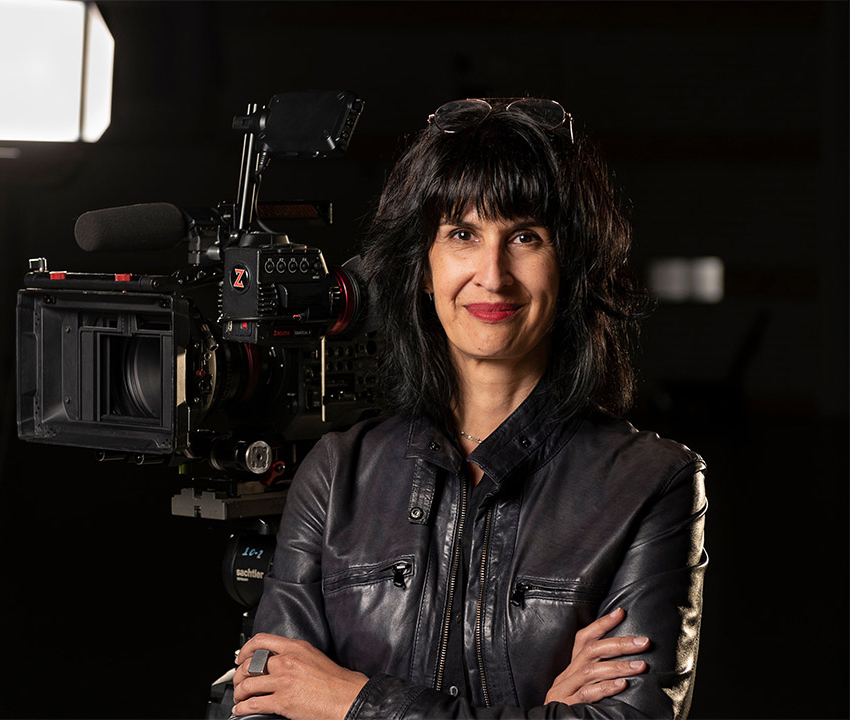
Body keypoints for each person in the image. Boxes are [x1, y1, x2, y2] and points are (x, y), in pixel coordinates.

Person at [229, 98, 707, 719]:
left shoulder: (650, 484)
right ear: (424, 268)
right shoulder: (336, 473)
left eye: (526, 237)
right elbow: (259, 707)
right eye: (462, 234)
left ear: (569, 265)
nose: (493, 273)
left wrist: (355, 703)